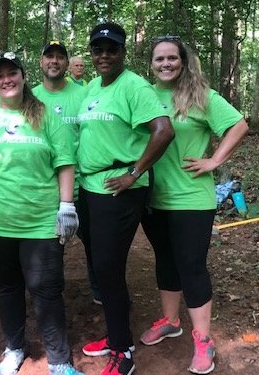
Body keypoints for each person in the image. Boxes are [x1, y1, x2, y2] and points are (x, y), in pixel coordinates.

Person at [0, 52, 84, 375]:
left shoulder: (46, 116)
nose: (6, 79)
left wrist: (67, 206)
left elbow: (64, 162)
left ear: (24, 77)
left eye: (13, 73)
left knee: (47, 290)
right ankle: (14, 348)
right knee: (7, 288)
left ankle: (59, 360)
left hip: (40, 222)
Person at [140, 35, 248, 374]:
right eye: (159, 59)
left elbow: (239, 125)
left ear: (183, 62)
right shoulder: (142, 95)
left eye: (172, 58)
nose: (166, 64)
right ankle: (170, 321)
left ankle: (203, 339)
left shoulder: (201, 96)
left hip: (191, 198)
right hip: (152, 195)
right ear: (152, 64)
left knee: (191, 265)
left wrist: (214, 160)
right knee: (165, 260)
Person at [77, 23, 175, 375]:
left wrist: (134, 172)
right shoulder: (91, 87)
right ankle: (115, 332)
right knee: (101, 265)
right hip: (89, 189)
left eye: (112, 49)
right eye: (98, 49)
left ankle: (123, 350)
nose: (104, 55)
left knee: (107, 267)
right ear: (91, 53)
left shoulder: (134, 86)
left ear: (123, 52)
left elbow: (164, 131)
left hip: (119, 189)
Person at [32, 41, 101, 305]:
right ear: (41, 62)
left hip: (85, 184)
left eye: (60, 57)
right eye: (49, 56)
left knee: (95, 244)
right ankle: (52, 297)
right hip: (46, 186)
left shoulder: (83, 94)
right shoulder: (31, 97)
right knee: (50, 247)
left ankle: (101, 292)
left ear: (67, 64)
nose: (54, 61)